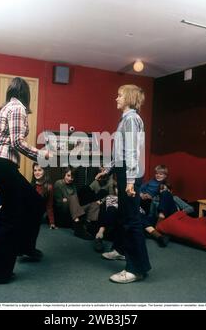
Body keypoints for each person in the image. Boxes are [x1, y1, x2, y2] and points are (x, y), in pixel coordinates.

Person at [0, 77, 48, 285]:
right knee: (10, 217)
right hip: (3, 164)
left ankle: (25, 247)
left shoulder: (4, 108)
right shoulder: (17, 107)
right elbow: (17, 142)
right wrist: (41, 155)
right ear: (25, 94)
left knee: (35, 202)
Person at [96, 84, 151, 284]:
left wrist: (129, 181)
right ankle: (120, 249)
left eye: (119, 95)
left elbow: (132, 153)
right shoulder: (126, 120)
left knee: (132, 220)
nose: (116, 98)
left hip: (130, 173)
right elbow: (121, 152)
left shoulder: (132, 119)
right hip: (124, 170)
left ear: (128, 98)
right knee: (122, 214)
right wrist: (108, 169)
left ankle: (137, 268)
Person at [53, 166, 96, 240]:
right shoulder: (59, 183)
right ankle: (79, 229)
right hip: (62, 213)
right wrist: (69, 200)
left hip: (73, 211)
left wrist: (67, 199)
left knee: (93, 204)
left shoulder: (73, 185)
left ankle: (87, 226)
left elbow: (76, 200)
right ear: (64, 174)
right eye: (68, 176)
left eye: (72, 177)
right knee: (73, 198)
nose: (70, 179)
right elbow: (58, 203)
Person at [31, 163, 56, 229]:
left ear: (44, 171)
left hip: (39, 213)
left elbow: (49, 205)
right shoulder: (31, 185)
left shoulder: (49, 187)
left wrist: (52, 222)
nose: (37, 172)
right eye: (35, 170)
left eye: (39, 170)